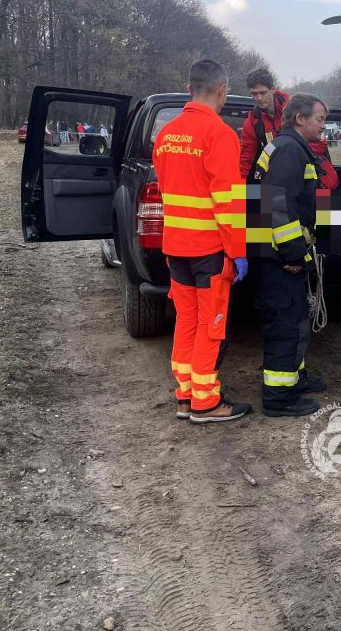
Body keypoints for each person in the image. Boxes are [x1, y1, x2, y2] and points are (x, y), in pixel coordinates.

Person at [152, 59, 251, 423]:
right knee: (211, 326)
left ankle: (185, 396)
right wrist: (238, 252)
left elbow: (166, 192)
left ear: (189, 87)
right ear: (222, 90)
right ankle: (207, 403)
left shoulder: (166, 134)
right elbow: (228, 203)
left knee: (186, 323)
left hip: (175, 248)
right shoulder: (220, 134)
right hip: (209, 252)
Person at [253, 93, 328, 417]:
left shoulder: (289, 146)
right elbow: (277, 207)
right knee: (285, 324)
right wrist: (294, 254)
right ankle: (279, 398)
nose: (323, 126)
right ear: (300, 118)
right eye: (320, 119)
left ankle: (294, 380)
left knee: (295, 320)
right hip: (278, 257)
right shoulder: (288, 150)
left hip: (274, 253)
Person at [239, 67, 289, 181]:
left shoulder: (293, 109)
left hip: (309, 177)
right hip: (275, 180)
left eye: (262, 93)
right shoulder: (253, 121)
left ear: (272, 89)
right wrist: (237, 190)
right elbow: (246, 158)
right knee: (261, 195)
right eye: (254, 94)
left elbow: (316, 145)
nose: (259, 98)